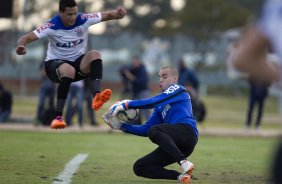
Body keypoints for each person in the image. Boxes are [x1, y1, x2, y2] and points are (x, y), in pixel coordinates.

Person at [15, 0, 126, 129]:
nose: (73, 17)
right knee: (69, 70)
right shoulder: (51, 25)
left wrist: (120, 13)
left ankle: (96, 95)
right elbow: (25, 38)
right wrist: (20, 46)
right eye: (69, 14)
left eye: (75, 13)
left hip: (76, 65)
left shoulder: (84, 19)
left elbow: (110, 15)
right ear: (60, 13)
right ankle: (58, 118)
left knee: (95, 54)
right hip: (53, 66)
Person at [104, 66, 198, 184]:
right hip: (175, 145)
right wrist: (121, 126)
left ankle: (184, 163)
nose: (160, 80)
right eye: (159, 77)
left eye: (164, 76)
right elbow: (146, 129)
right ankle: (181, 177)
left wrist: (127, 104)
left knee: (154, 130)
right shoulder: (160, 106)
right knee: (139, 167)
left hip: (187, 134)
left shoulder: (179, 89)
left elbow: (153, 102)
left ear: (175, 79)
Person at [231, 0, 282, 183]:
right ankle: (249, 125)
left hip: (263, 89)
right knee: (252, 106)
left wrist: (276, 76)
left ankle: (255, 125)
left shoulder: (274, 6)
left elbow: (241, 59)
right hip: (256, 89)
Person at [121, 56, 151, 124]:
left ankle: (151, 124)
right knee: (135, 110)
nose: (134, 63)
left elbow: (141, 82)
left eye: (135, 62)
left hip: (143, 92)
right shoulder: (133, 69)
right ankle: (136, 124)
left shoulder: (142, 70)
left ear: (139, 62)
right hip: (136, 92)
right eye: (133, 62)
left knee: (146, 109)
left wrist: (130, 76)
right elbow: (122, 69)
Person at [35, 62, 55, 126]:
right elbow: (41, 74)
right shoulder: (43, 64)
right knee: (41, 103)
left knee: (51, 105)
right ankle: (38, 119)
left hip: (52, 88)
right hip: (44, 88)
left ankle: (51, 120)